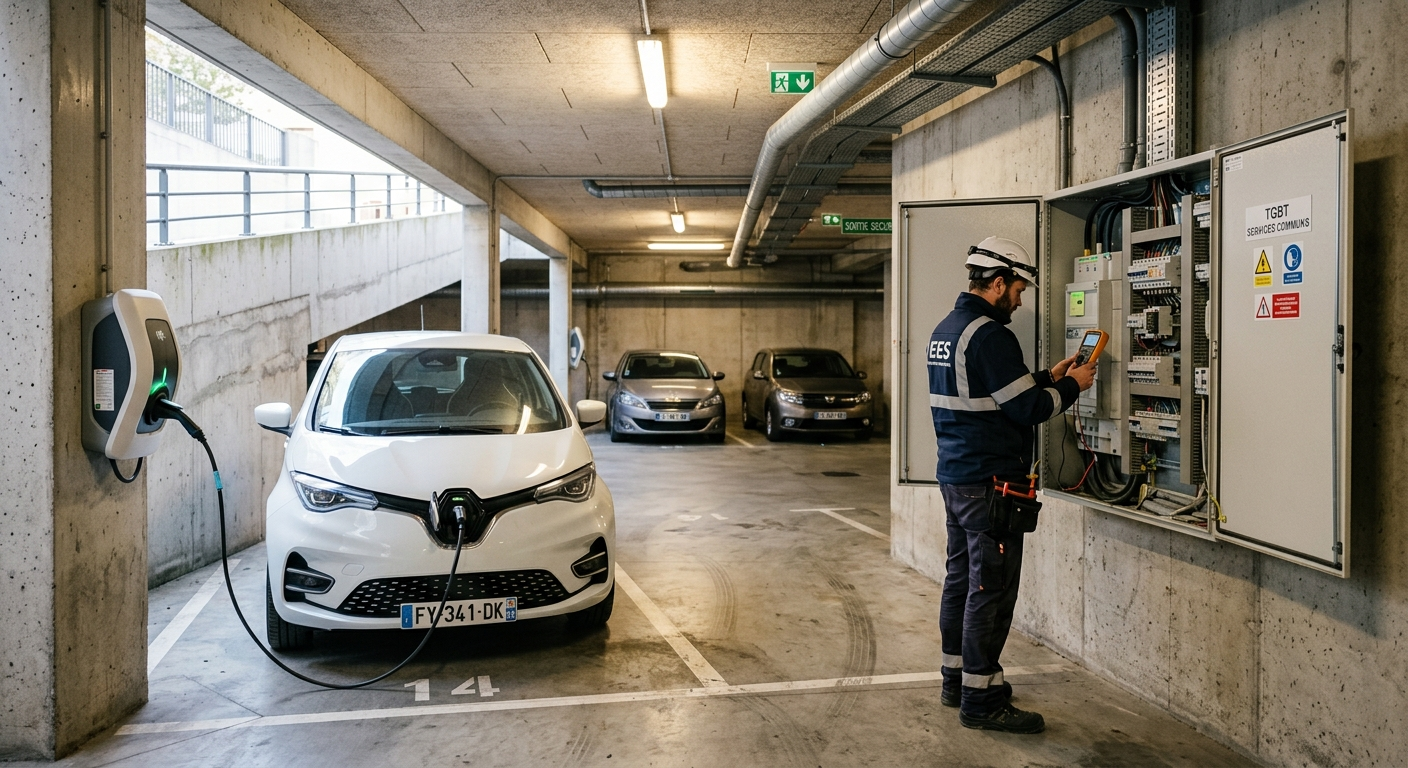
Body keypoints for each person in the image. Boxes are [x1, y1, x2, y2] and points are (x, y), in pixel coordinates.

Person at [927, 236, 1096, 734]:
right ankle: (982, 700)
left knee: (962, 580)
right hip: (990, 484)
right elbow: (1027, 409)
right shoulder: (991, 336)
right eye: (1019, 288)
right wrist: (1072, 386)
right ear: (997, 283)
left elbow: (995, 391)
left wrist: (1047, 374)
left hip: (958, 478)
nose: (1021, 300)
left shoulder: (948, 329)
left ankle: (956, 680)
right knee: (991, 588)